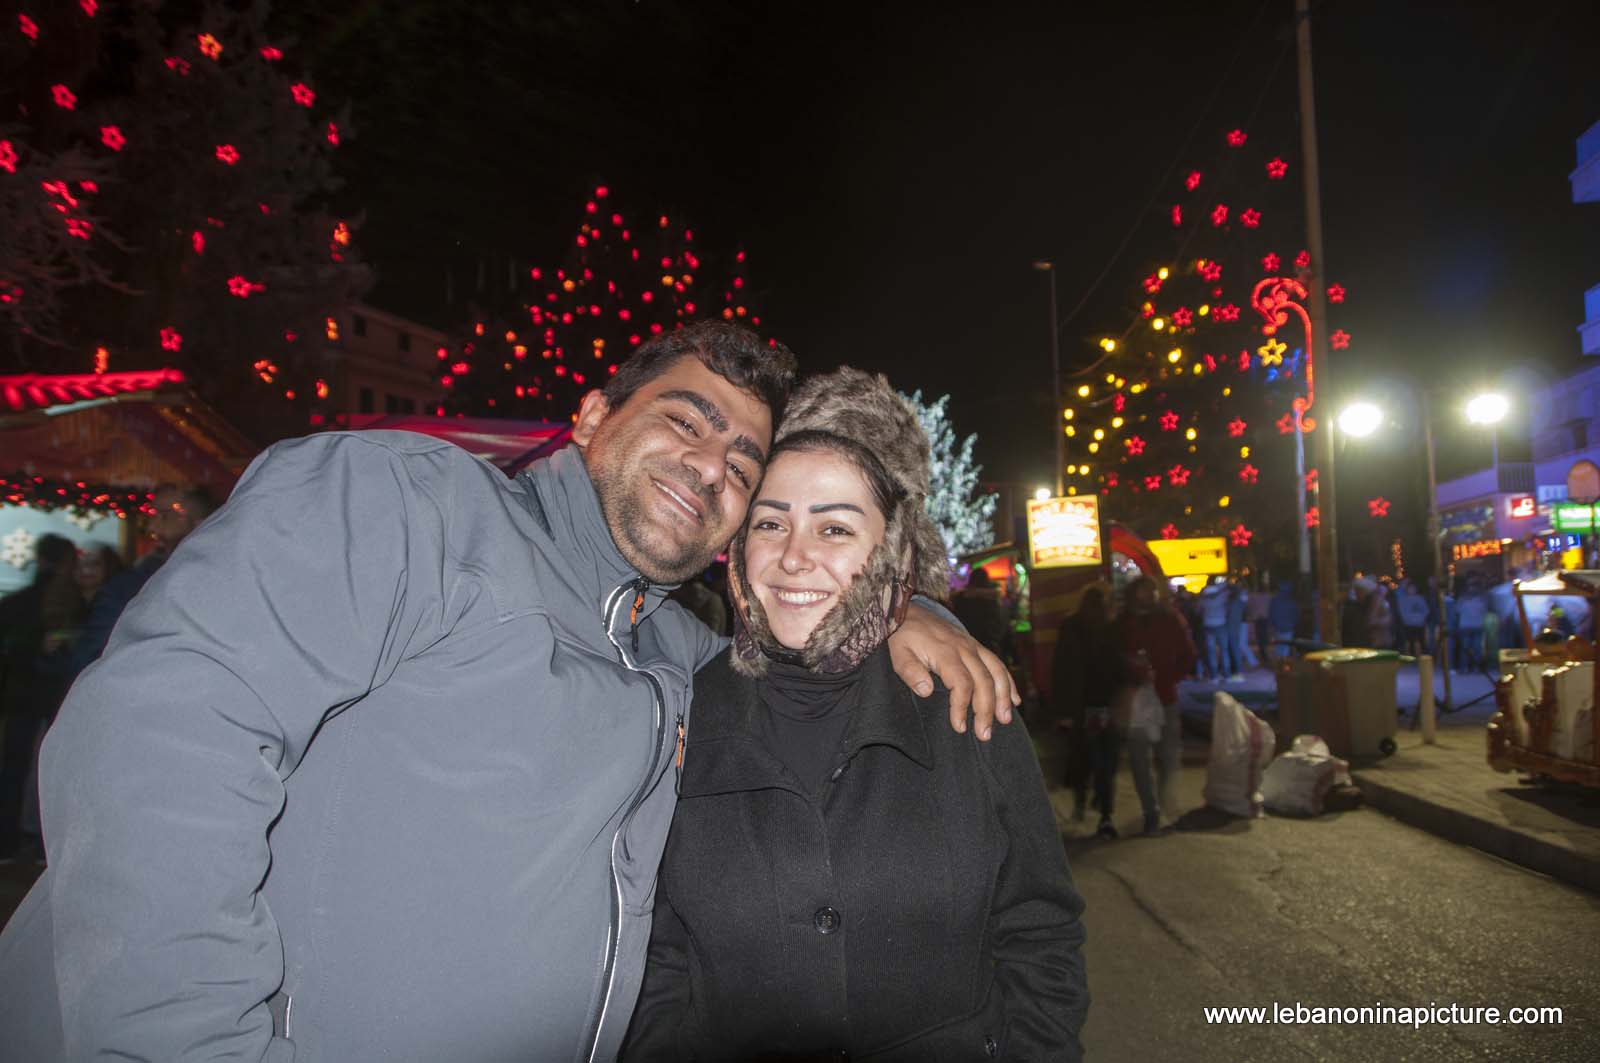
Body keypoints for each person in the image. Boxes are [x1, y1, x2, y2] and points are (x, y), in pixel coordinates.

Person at [0, 323, 1016, 1063]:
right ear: (590, 419)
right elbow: (158, 741)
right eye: (685, 421)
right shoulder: (406, 506)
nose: (712, 466)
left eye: (743, 462)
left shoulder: (676, 652)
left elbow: (810, 656)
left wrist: (904, 609)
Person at [621, 369, 1087, 1060]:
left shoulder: (966, 706)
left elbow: (1038, 928)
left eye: (834, 526)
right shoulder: (682, 715)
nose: (794, 555)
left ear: (893, 553)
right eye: (770, 521)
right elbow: (655, 956)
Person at [0, 535, 82, 864]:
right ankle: (42, 840)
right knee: (50, 767)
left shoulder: (18, 601)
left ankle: (7, 840)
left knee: (15, 767)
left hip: (22, 693)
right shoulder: (73, 598)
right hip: (55, 692)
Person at [1117, 577, 1196, 833]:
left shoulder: (1169, 619)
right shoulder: (1123, 622)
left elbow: (1188, 654)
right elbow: (1113, 657)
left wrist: (1168, 676)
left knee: (1169, 756)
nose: (1149, 595)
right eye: (1144, 590)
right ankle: (1152, 811)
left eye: (1151, 590)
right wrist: (1131, 673)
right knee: (1140, 760)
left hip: (1165, 698)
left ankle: (1165, 806)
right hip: (1137, 700)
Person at [1053, 586, 1125, 839]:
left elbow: (1062, 669)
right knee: (1106, 762)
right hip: (1106, 705)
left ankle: (1082, 803)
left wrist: (1063, 710)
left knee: (1084, 757)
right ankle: (1105, 815)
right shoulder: (1112, 628)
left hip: (1083, 707)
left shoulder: (1072, 626)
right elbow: (1119, 668)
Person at [951, 565, 1012, 661]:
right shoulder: (991, 599)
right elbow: (1000, 625)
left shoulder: (960, 599)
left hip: (966, 648)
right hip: (988, 648)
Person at [1396, 578, 1429, 657]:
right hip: (1408, 624)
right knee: (1410, 641)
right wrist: (1406, 619)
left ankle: (1424, 657)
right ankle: (1412, 657)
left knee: (1422, 641)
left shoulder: (1420, 598)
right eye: (1410, 588)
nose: (1412, 590)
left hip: (1419, 624)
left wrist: (1422, 619)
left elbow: (1426, 610)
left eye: (1413, 588)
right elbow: (1401, 611)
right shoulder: (1403, 599)